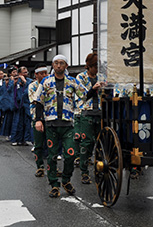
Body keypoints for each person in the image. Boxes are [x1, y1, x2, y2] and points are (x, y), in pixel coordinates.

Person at [35, 54, 98, 198]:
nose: (58, 66)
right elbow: (38, 101)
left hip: (68, 123)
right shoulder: (46, 81)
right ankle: (54, 185)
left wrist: (94, 89)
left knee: (70, 154)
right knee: (51, 157)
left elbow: (84, 95)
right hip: (51, 123)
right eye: (56, 63)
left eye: (61, 63)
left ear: (66, 66)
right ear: (53, 65)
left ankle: (66, 180)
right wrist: (39, 120)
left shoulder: (72, 81)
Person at [75, 52, 103, 184]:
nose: (96, 70)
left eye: (98, 67)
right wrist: (93, 88)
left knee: (102, 143)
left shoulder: (101, 77)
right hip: (86, 113)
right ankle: (84, 172)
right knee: (86, 143)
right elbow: (82, 96)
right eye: (94, 67)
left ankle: (101, 169)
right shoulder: (80, 77)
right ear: (89, 66)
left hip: (100, 113)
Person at [28, 63, 48, 177]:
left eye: (46, 73)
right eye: (42, 73)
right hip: (37, 116)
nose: (44, 75)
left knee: (51, 144)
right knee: (38, 144)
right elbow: (35, 100)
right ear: (36, 74)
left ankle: (51, 167)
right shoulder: (32, 86)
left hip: (50, 116)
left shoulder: (50, 84)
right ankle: (40, 167)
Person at [10, 66, 33, 146]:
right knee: (17, 123)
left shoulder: (29, 81)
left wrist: (25, 82)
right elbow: (9, 91)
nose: (26, 73)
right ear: (20, 73)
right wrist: (14, 84)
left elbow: (30, 91)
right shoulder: (15, 80)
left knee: (26, 123)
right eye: (24, 72)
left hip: (26, 105)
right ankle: (15, 139)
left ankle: (24, 139)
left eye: (27, 72)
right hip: (18, 105)